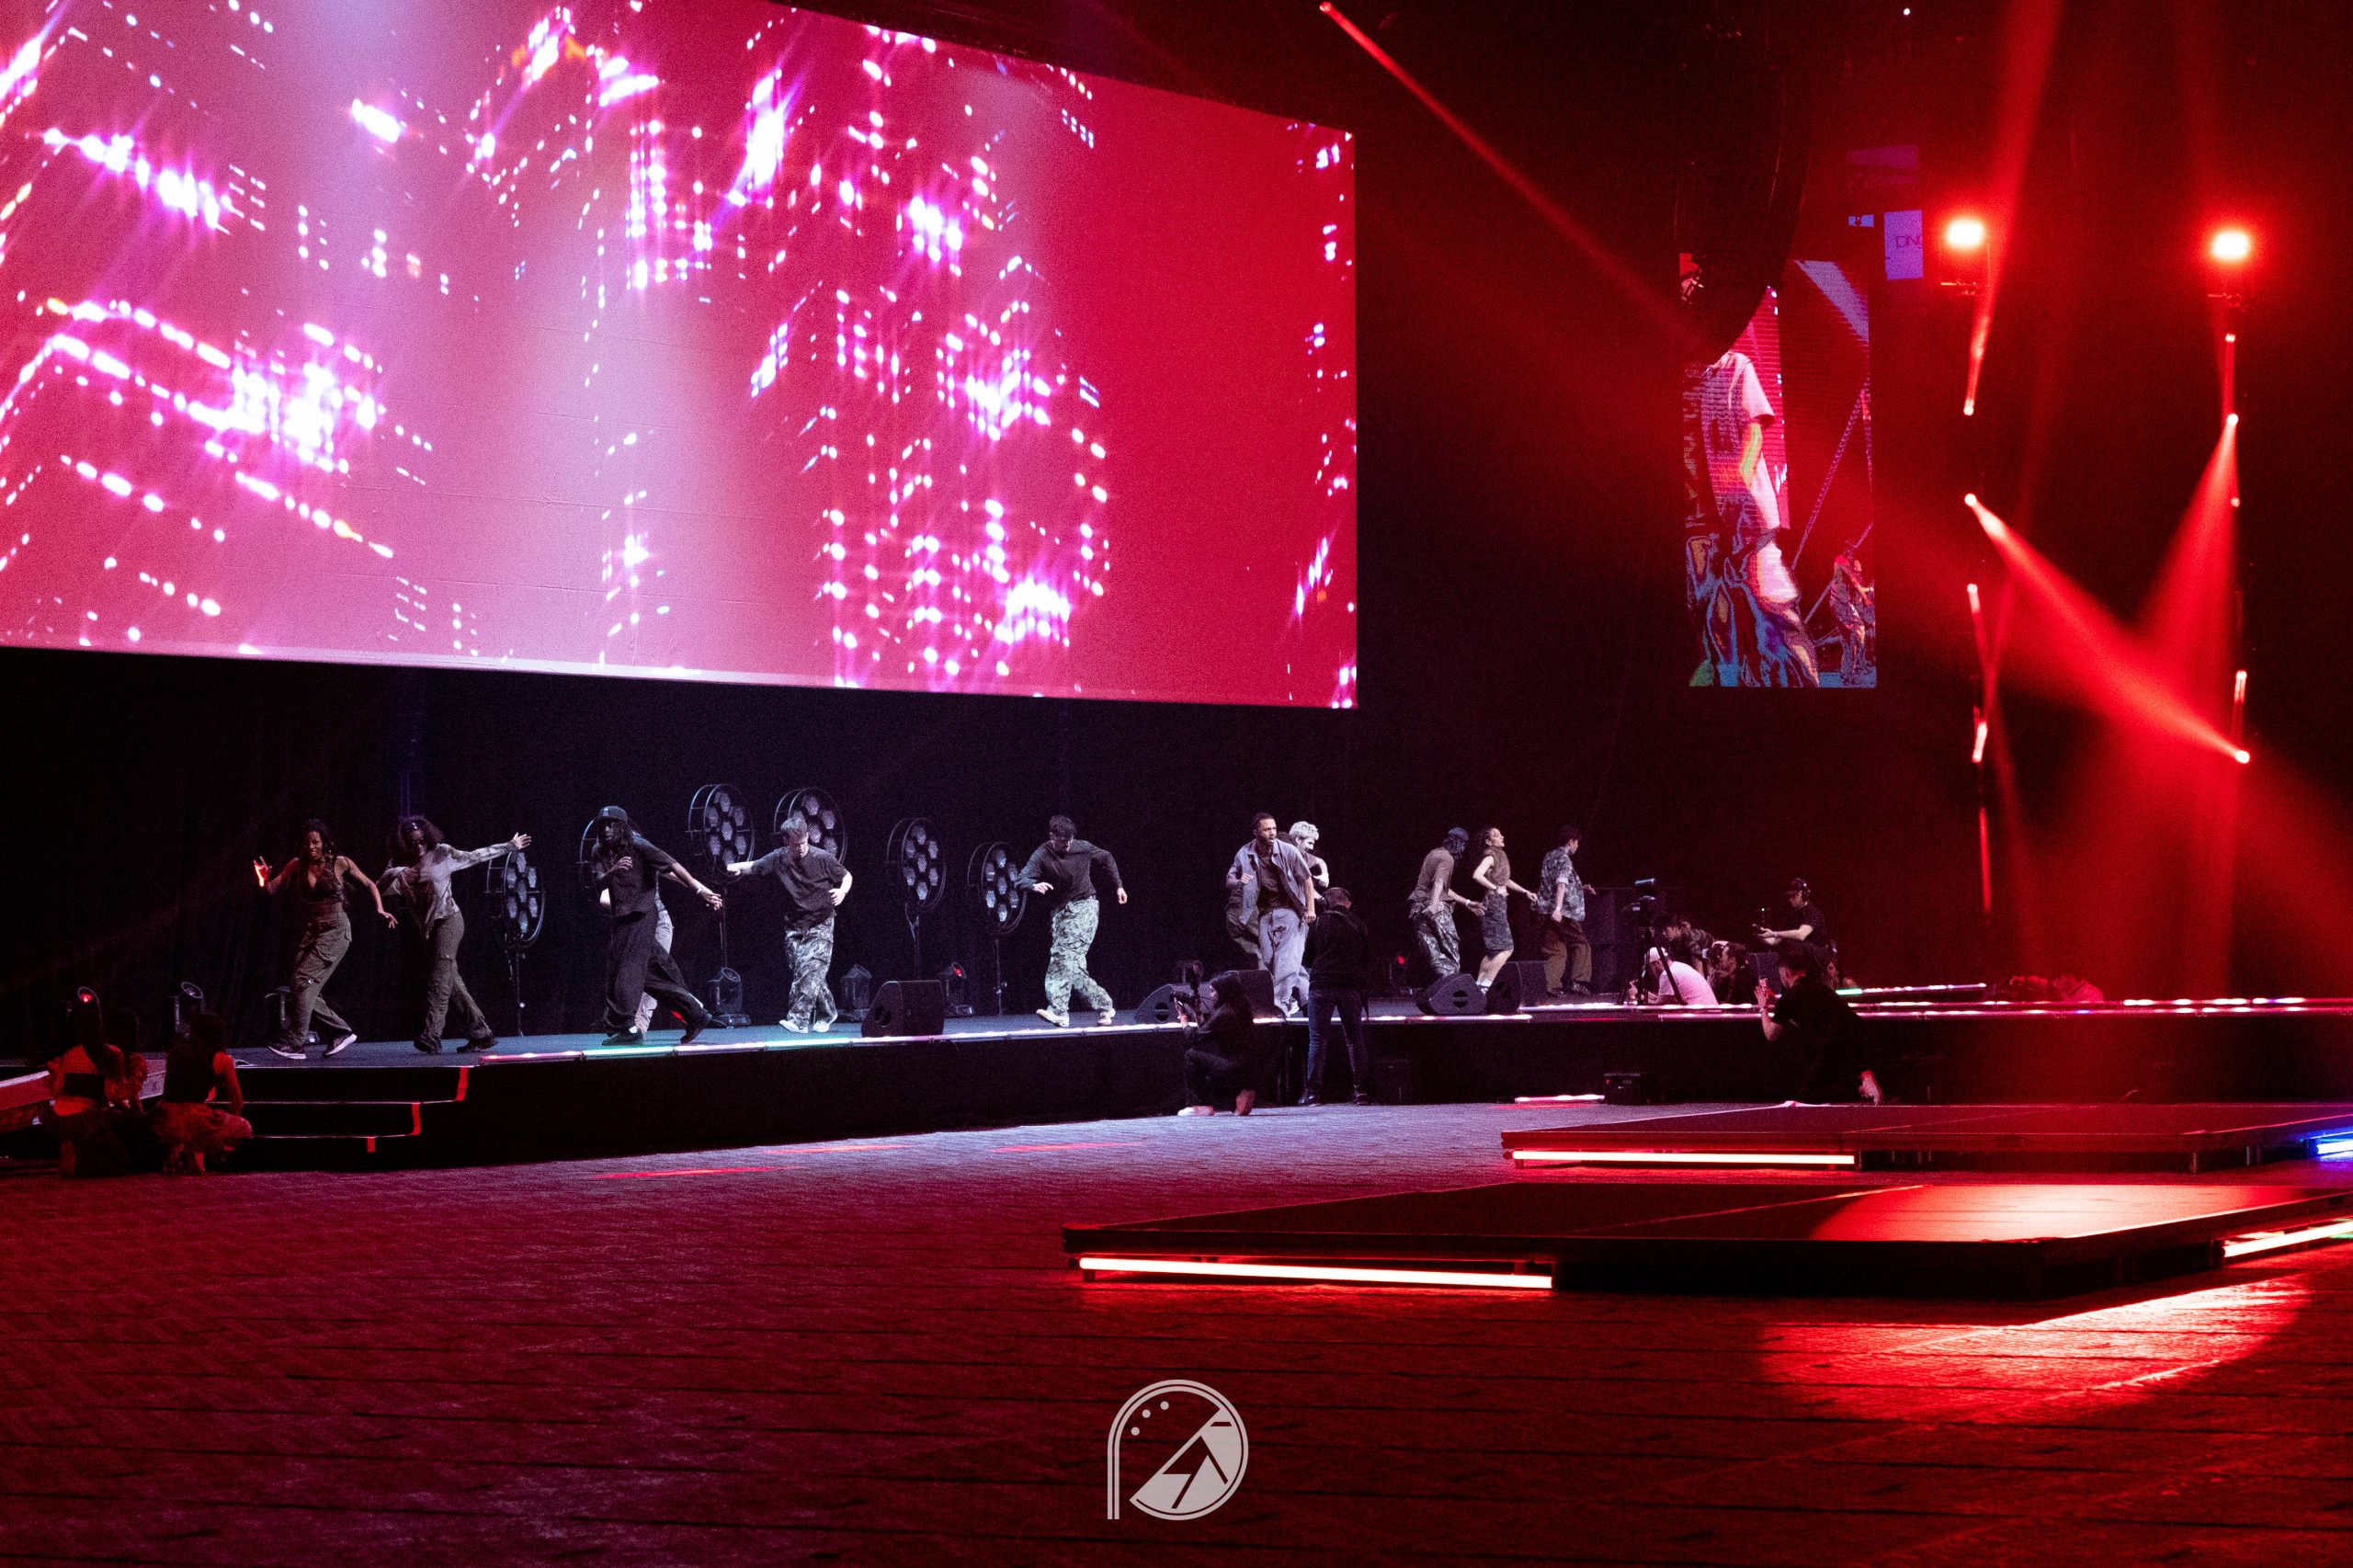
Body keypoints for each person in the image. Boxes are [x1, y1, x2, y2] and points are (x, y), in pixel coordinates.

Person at [384, 816, 530, 1054]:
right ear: (404, 844)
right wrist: (394, 873)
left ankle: (432, 1035)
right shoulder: (399, 864)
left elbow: (474, 856)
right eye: (412, 843)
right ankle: (480, 1033)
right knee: (452, 982)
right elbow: (381, 888)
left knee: (439, 980)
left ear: (428, 838)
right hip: (428, 929)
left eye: (422, 841)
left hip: (449, 921)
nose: (418, 847)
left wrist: (509, 846)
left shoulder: (441, 853)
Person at [256, 820, 396, 1061]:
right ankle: (340, 1031)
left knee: (304, 980)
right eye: (307, 843)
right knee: (300, 986)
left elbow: (369, 883)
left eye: (316, 842)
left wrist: (380, 909)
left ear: (324, 843)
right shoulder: (296, 865)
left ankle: (296, 1042)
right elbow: (270, 889)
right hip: (313, 929)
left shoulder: (339, 862)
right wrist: (263, 878)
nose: (311, 847)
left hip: (336, 929)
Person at [585, 806, 720, 1047]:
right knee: (651, 974)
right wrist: (614, 871)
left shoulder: (639, 845)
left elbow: (673, 867)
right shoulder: (599, 851)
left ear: (622, 826)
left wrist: (699, 890)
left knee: (626, 972)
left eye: (611, 824)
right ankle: (695, 1014)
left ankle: (628, 1028)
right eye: (602, 825)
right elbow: (598, 882)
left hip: (643, 915)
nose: (606, 829)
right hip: (622, 918)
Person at [729, 814, 853, 1033]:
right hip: (795, 925)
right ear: (787, 842)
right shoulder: (779, 858)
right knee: (804, 971)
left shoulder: (822, 857)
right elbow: (756, 866)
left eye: (804, 842)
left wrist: (842, 891)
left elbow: (847, 876)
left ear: (808, 837)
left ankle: (798, 1020)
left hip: (821, 922)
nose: (801, 848)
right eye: (796, 845)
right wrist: (736, 866)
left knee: (809, 969)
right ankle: (828, 1011)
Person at [1018, 815, 1125, 1028]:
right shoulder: (1042, 854)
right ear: (1052, 836)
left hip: (1085, 908)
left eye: (1070, 841)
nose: (1067, 846)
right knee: (1072, 967)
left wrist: (1119, 885)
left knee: (1061, 956)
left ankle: (1058, 1011)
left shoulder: (1083, 848)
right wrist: (1033, 885)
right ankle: (1105, 1005)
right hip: (1060, 915)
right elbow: (1021, 878)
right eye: (1062, 841)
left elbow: (1107, 857)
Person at [1757, 939, 1877, 1102]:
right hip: (1854, 1040)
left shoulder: (1790, 997)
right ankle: (1862, 1083)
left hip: (1832, 1047)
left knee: (1808, 1096)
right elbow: (1802, 1010)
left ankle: (1862, 1086)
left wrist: (1763, 1007)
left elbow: (1770, 1034)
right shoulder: (1821, 989)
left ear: (1785, 973)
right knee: (1831, 1090)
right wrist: (1776, 1002)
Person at [1227, 812, 1319, 1017]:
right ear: (1255, 832)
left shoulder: (1287, 851)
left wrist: (1311, 910)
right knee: (1271, 962)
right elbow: (1229, 879)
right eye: (1267, 829)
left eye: (1274, 829)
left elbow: (1307, 879)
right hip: (1265, 915)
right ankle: (1304, 998)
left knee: (1286, 962)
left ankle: (1281, 1005)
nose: (1272, 833)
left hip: (1291, 912)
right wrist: (1239, 882)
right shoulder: (1245, 853)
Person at [43, 990, 131, 1177]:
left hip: (58, 1118)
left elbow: (57, 1089)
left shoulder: (68, 1053)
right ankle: (79, 1166)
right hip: (87, 1119)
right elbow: (111, 1094)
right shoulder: (110, 1053)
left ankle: (72, 1147)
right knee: (123, 1162)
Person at [152, 1012, 251, 1175]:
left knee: (191, 1123)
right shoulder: (222, 1059)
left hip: (165, 1118)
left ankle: (182, 1148)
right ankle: (200, 1148)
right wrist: (221, 1136)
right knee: (244, 1127)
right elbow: (237, 1102)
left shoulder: (175, 1053)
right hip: (194, 1119)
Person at [1301, 886, 1373, 1106]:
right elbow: (1367, 959)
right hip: (1350, 986)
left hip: (1321, 986)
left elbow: (1307, 959)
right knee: (1354, 1039)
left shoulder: (1318, 924)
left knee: (1317, 1040)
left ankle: (1312, 1094)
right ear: (1347, 903)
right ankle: (1361, 1092)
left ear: (1326, 904)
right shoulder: (1359, 924)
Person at [1178, 972, 1279, 1116]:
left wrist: (1183, 1019)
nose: (1210, 995)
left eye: (1213, 991)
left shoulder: (1224, 1013)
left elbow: (1194, 1037)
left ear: (1223, 991)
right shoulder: (1240, 1008)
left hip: (1234, 1066)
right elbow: (1205, 1035)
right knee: (1204, 1058)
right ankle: (1237, 1099)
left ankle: (1199, 1105)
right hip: (1248, 1067)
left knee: (1191, 1055)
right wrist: (1197, 1012)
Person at [1406, 828, 1482, 981]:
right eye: (1463, 845)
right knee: (1451, 947)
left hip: (1417, 909)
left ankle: (1446, 982)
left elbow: (1444, 889)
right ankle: (1455, 984)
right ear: (1460, 844)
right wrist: (1434, 905)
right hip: (1434, 907)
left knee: (1434, 954)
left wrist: (1467, 903)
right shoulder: (1448, 858)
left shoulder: (1433, 854)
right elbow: (1439, 882)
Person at [1468, 827, 1533, 988]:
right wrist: (1495, 889)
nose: (1502, 837)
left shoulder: (1499, 857)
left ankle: (1478, 988)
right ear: (1489, 842)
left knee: (1493, 952)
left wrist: (1525, 892)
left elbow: (1505, 881)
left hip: (1496, 905)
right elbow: (1477, 875)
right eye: (1496, 836)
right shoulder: (1490, 856)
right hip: (1494, 905)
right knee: (1507, 949)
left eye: (1500, 834)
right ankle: (1485, 987)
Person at [1535, 824, 1594, 996]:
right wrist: (1558, 909)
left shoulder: (1549, 856)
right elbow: (1561, 884)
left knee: (1556, 950)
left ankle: (1550, 986)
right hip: (1562, 913)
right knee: (1581, 944)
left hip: (1543, 910)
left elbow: (1553, 882)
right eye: (1577, 843)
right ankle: (1578, 982)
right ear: (1570, 842)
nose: (1577, 846)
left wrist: (1580, 888)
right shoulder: (1564, 859)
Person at [1754, 879, 1835, 972]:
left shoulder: (1813, 913)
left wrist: (1774, 933)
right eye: (1789, 896)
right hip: (1804, 959)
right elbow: (1774, 941)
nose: (1790, 899)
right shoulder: (1791, 916)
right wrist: (1762, 936)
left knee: (1795, 945)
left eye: (1793, 896)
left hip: (1818, 957)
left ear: (1803, 894)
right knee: (1786, 946)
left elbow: (1801, 935)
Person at [1634, 933, 1719, 1006]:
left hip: (1700, 1015)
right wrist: (1645, 994)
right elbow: (1665, 999)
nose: (1651, 972)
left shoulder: (1667, 974)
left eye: (1650, 968)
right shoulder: (1679, 966)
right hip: (1708, 1012)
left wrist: (1637, 996)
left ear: (1658, 963)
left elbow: (1660, 1007)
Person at [1286, 822, 1333, 889]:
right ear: (1298, 840)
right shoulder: (1285, 856)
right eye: (1310, 843)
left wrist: (1325, 874)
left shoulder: (1303, 855)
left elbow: (1320, 861)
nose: (1312, 848)